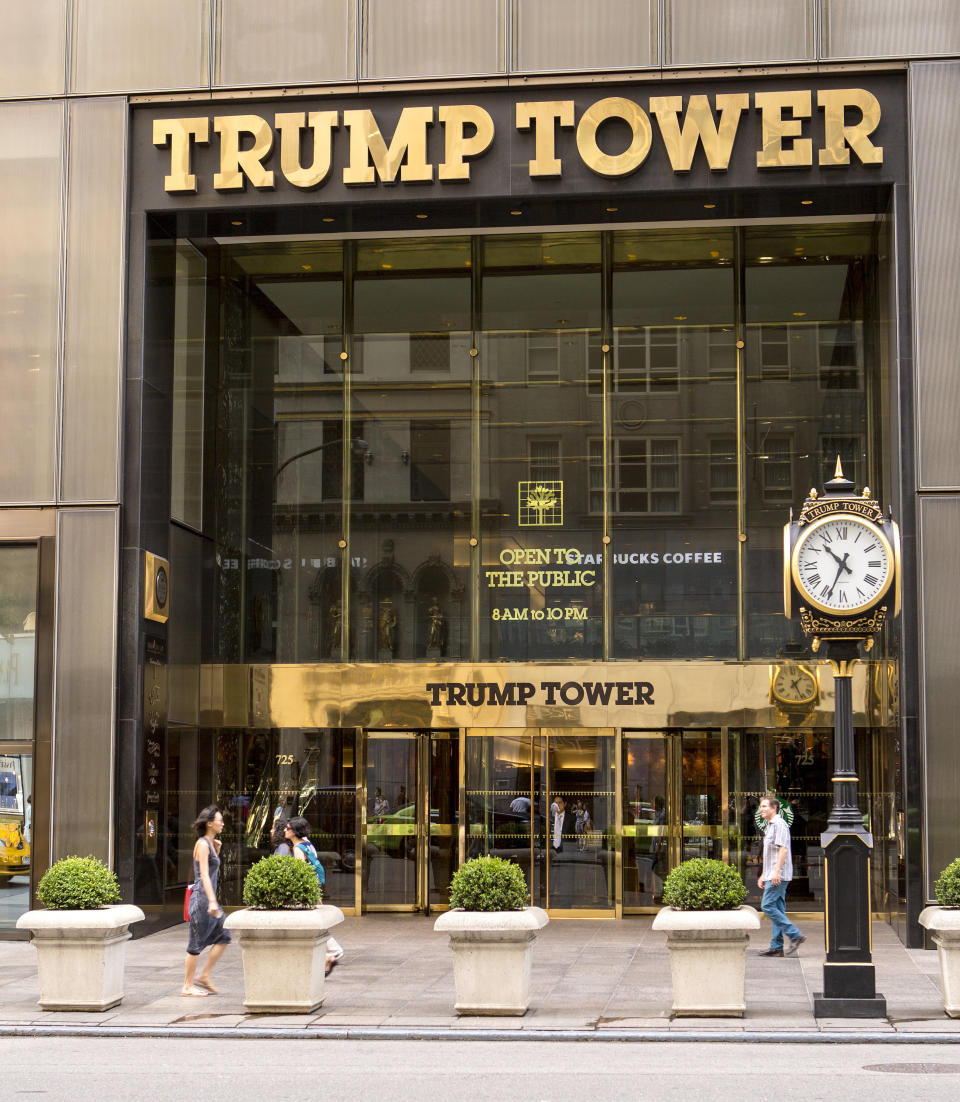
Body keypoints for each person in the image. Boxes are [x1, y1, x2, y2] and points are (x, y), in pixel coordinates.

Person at [182, 805, 231, 996]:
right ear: (210, 823)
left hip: (209, 899)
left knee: (224, 935)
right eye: (220, 820)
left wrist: (216, 851)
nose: (222, 823)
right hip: (202, 900)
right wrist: (211, 901)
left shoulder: (210, 844)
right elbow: (203, 875)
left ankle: (203, 976)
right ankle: (187, 985)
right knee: (196, 944)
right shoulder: (202, 844)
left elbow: (210, 870)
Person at [286, 816, 344, 975]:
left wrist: (302, 894)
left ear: (295, 831)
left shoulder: (298, 848)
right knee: (312, 924)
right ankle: (331, 952)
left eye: (288, 828)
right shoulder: (307, 843)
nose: (285, 830)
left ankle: (332, 952)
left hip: (307, 890)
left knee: (305, 925)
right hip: (315, 886)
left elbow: (301, 874)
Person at [757, 795, 806, 957]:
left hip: (778, 875)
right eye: (760, 806)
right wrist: (764, 874)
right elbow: (770, 853)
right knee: (777, 908)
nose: (761, 809)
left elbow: (783, 849)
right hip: (772, 873)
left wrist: (776, 872)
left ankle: (795, 934)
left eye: (764, 806)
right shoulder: (770, 825)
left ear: (774, 808)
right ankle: (777, 947)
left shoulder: (779, 824)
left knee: (767, 906)